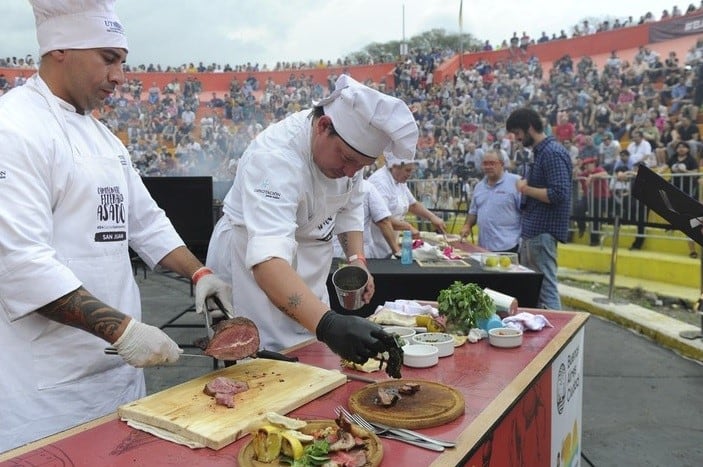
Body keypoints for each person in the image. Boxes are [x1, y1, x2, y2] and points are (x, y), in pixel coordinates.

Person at [0, 0, 233, 452]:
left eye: (122, 62)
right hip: (46, 392)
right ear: (61, 50)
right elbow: (19, 263)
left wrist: (199, 273)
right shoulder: (14, 128)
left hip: (119, 380)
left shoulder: (105, 139)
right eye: (108, 59)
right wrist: (123, 331)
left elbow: (146, 224)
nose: (119, 77)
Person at [206, 74, 417, 359]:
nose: (351, 172)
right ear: (323, 126)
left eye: (361, 165)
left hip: (308, 260)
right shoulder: (274, 159)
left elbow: (350, 206)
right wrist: (329, 324)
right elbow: (268, 262)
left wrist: (358, 260)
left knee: (313, 354)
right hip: (253, 268)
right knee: (265, 364)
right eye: (346, 160)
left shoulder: (349, 156)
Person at [506, 108, 573, 310]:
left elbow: (559, 193)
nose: (517, 138)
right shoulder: (541, 152)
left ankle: (558, 338)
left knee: (546, 290)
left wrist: (526, 189)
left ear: (530, 128)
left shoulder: (552, 152)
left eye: (518, 133)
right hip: (534, 230)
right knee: (535, 289)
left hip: (543, 230)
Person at [367, 152, 447, 248]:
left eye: (411, 170)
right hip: (374, 246)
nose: (410, 174)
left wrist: (432, 217)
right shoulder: (380, 182)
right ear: (395, 167)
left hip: (388, 243)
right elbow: (381, 219)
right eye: (407, 170)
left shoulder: (399, 180)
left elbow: (413, 205)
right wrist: (407, 227)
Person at [459, 149, 522, 253]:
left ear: (501, 164)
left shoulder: (516, 182)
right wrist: (467, 225)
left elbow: (526, 212)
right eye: (485, 163)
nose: (488, 167)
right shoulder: (479, 187)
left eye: (492, 163)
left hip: (510, 247)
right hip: (484, 248)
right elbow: (473, 212)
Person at [667, 141, 700, 257]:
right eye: (679, 147)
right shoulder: (672, 159)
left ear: (688, 149)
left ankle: (693, 250)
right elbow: (665, 169)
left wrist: (685, 171)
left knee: (692, 221)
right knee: (684, 220)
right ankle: (692, 250)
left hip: (690, 192)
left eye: (684, 147)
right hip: (676, 193)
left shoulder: (691, 160)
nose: (681, 149)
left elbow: (696, 173)